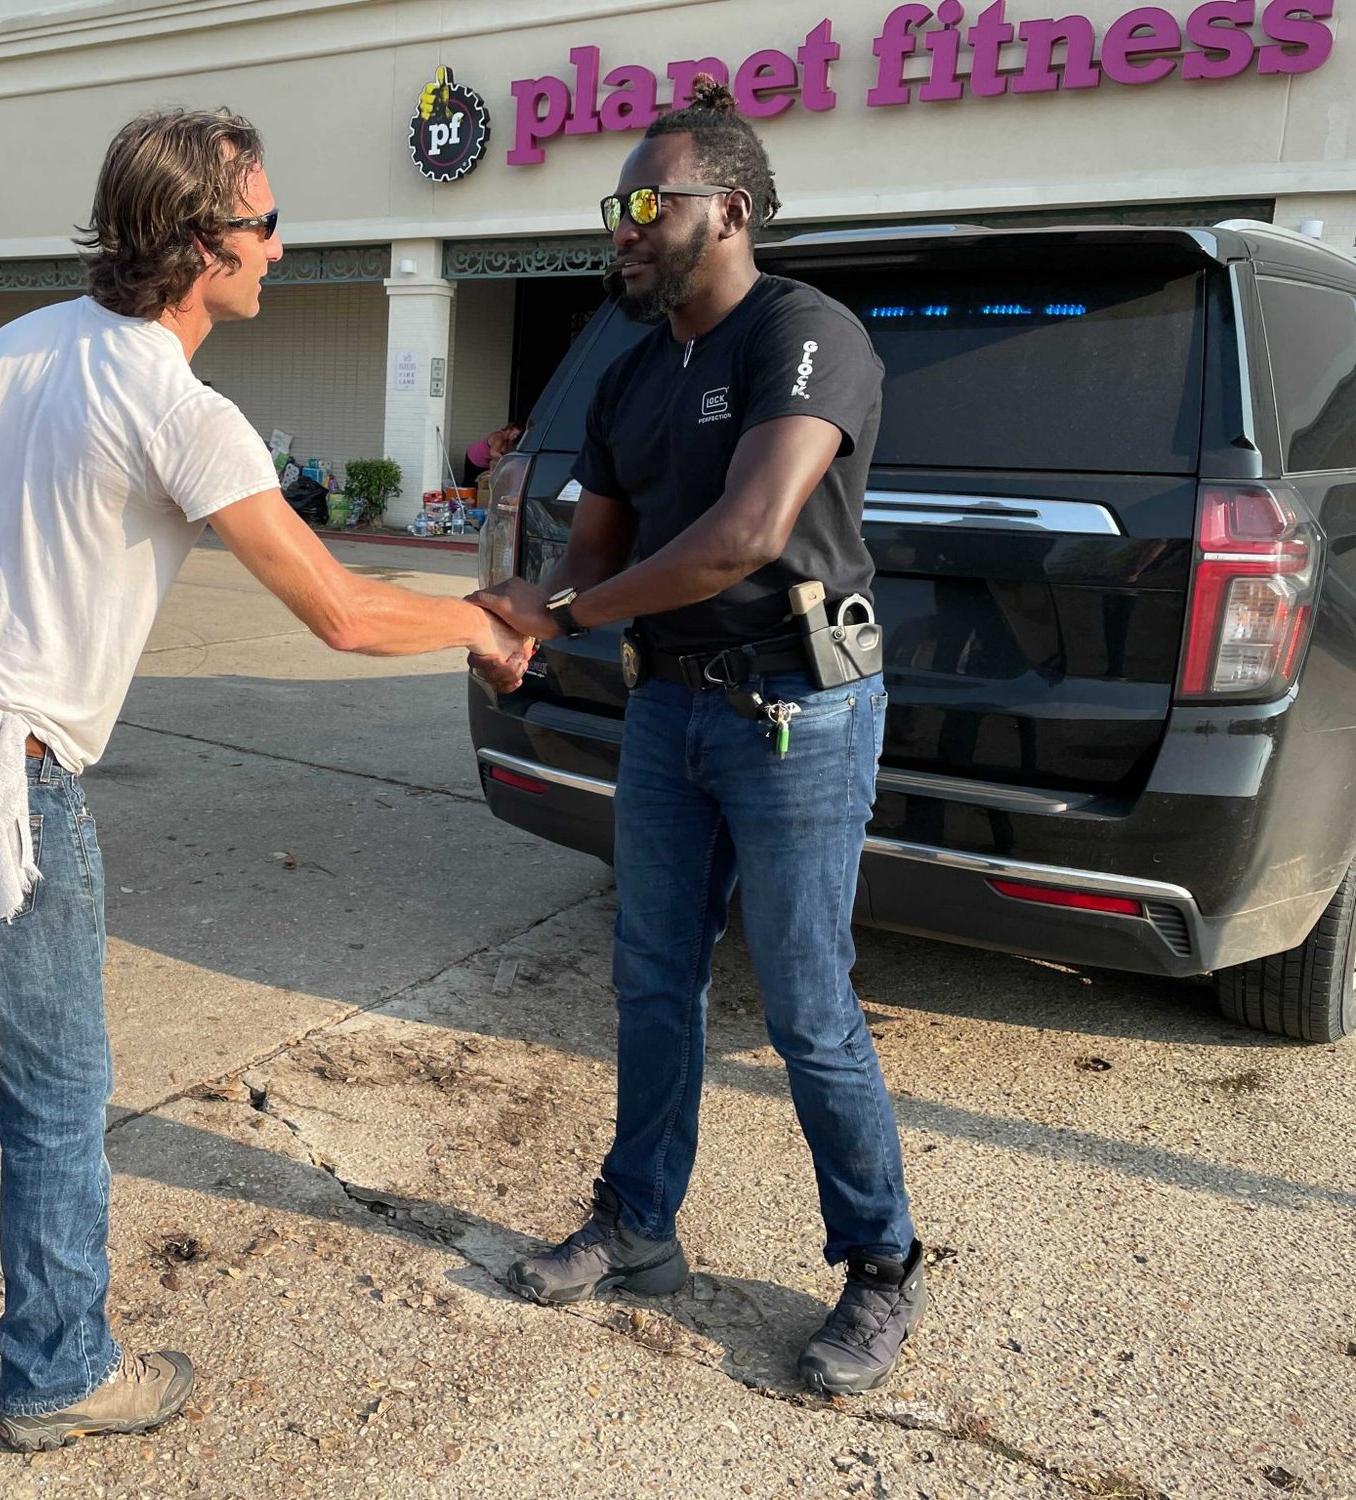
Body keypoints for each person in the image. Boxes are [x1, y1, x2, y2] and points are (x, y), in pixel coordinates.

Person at [0, 107, 530, 1451]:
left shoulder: (18, 346)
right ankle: (61, 1371)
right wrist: (485, 625)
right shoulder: (180, 408)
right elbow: (344, 614)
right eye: (262, 224)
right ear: (201, 246)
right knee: (61, 1090)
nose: (278, 244)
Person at [470, 78, 925, 1396]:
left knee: (806, 1005)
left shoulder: (805, 335)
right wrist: (517, 626)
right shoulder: (629, 375)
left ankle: (884, 1265)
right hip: (669, 707)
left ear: (725, 207)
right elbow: (593, 552)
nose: (618, 228)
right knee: (652, 979)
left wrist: (563, 609)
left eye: (640, 204)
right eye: (612, 208)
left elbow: (743, 534)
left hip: (799, 713)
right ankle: (638, 1223)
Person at [461, 421, 521, 485]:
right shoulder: (499, 437)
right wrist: (504, 458)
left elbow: (509, 453)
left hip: (484, 462)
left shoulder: (508, 442)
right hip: (474, 456)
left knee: (482, 482)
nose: (515, 437)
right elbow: (492, 452)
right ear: (509, 430)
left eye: (517, 435)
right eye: (514, 434)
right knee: (470, 482)